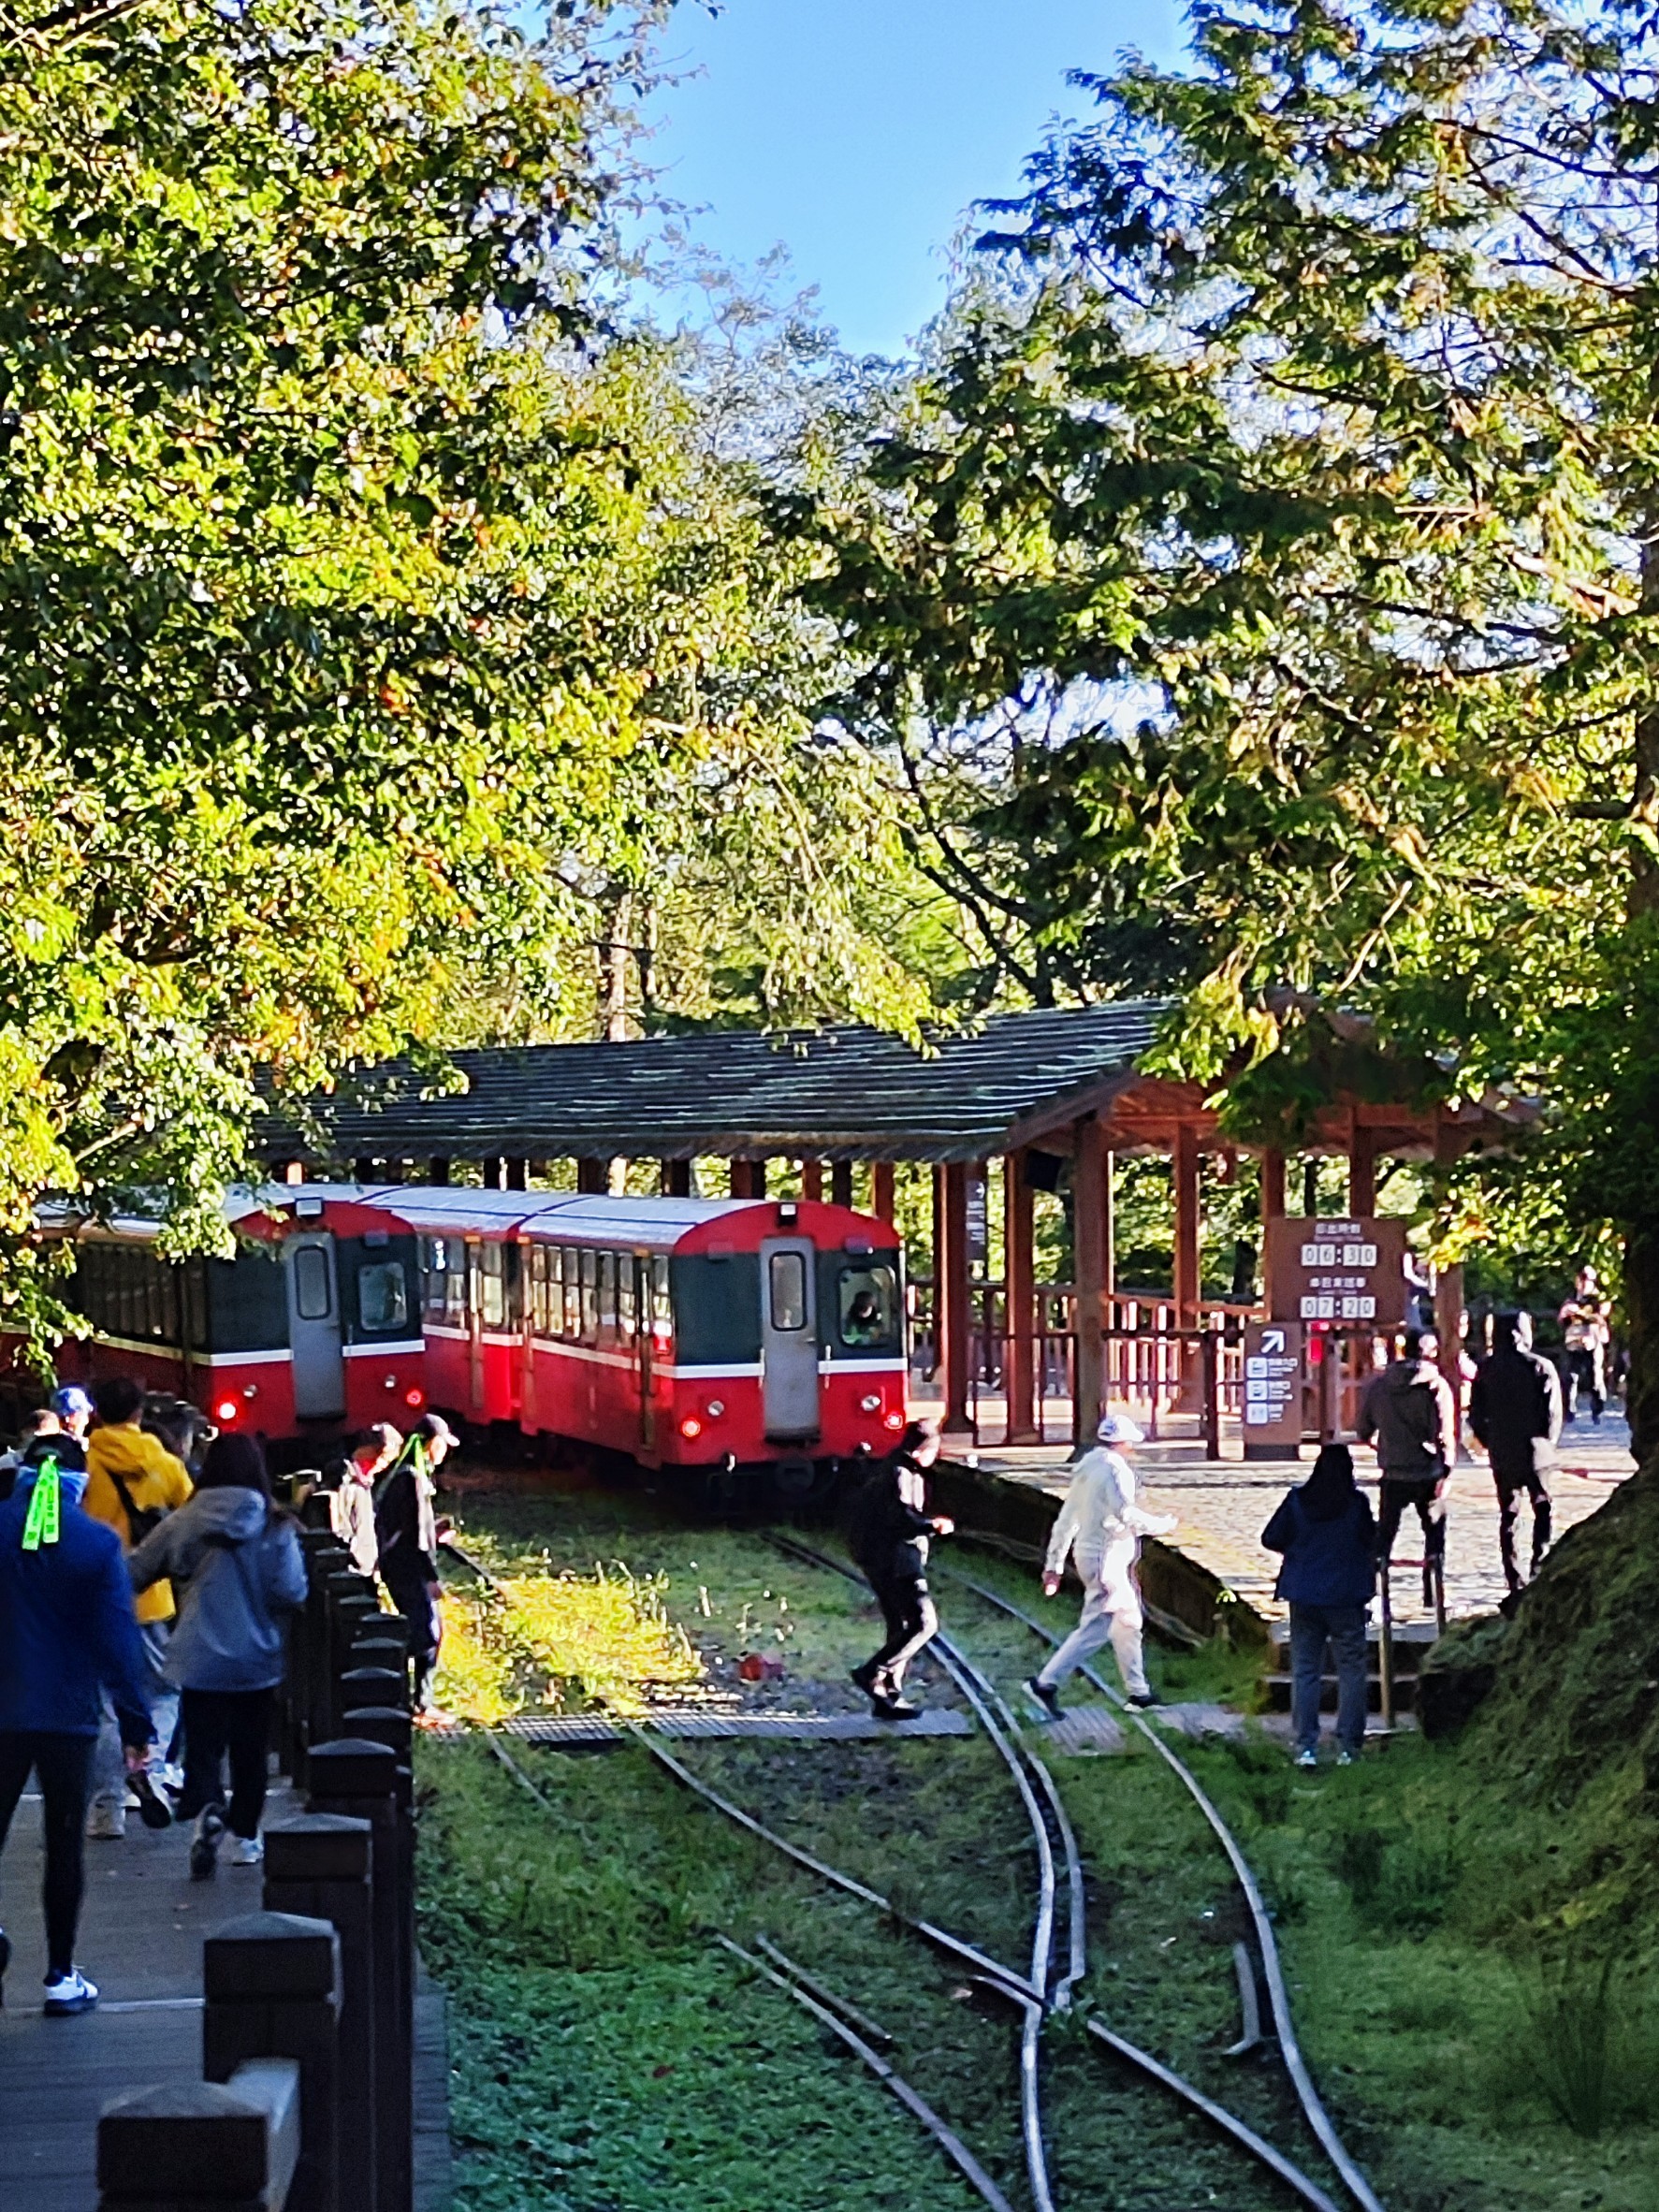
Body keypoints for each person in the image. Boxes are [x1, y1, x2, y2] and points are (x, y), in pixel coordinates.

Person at [0, 1434, 154, 2013]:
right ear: (79, 1483)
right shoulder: (95, 1544)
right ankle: (60, 1976)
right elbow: (118, 1643)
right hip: (69, 1717)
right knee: (64, 1846)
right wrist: (136, 1726)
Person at [127, 1433, 306, 1877]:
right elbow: (291, 1590)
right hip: (256, 1658)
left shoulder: (185, 1520)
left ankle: (208, 1807)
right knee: (250, 1752)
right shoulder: (275, 1524)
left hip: (199, 1653)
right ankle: (245, 1836)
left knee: (203, 1748)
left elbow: (136, 1571)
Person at [81, 1375, 192, 1838]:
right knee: (165, 1692)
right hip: (152, 1596)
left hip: (93, 1599)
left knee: (106, 1705)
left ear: (96, 1412)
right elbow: (190, 1516)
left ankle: (106, 1809)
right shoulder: (163, 1463)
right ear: (139, 1413)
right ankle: (153, 1768)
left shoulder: (83, 1463)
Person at [1025, 1411, 1175, 1714]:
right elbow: (1125, 1513)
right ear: (1123, 1443)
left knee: (1129, 1622)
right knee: (1097, 1625)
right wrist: (1162, 1525)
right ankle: (1045, 1684)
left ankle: (1138, 1693)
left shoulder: (1087, 1468)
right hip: (1108, 1557)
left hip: (1090, 1553)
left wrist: (1054, 1563)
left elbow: (1066, 1520)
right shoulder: (1116, 1471)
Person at [1262, 1445, 1376, 1768]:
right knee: (1351, 1669)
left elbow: (1270, 1537)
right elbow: (1372, 1540)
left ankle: (1305, 1746)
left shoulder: (1298, 1500)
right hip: (1346, 1597)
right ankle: (1348, 1746)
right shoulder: (1356, 1504)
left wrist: (1299, 1550)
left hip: (1304, 1596)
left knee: (1305, 1670)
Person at [846, 1419, 953, 1718]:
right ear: (923, 1450)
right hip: (894, 1560)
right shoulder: (901, 1474)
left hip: (880, 1556)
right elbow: (901, 1517)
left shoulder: (895, 1467)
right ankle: (872, 1673)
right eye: (934, 1451)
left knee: (900, 1625)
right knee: (924, 1623)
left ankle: (889, 1696)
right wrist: (932, 1525)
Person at [1357, 1330, 1455, 1607]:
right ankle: (1433, 1596)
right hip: (1428, 1471)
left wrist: (1383, 1446)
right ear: (1431, 1352)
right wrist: (1447, 1468)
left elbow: (1363, 1429)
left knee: (1385, 1534)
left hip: (1393, 1470)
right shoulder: (1437, 1386)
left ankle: (1371, 1592)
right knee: (1434, 1534)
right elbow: (1443, 1433)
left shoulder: (1379, 1386)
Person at [1469, 1311, 1562, 1594]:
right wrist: (1548, 1441)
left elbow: (1476, 1414)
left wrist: (1489, 1441)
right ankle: (1539, 1561)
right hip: (1536, 1449)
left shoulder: (1486, 1369)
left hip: (1503, 1448)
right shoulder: (1540, 1366)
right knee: (1542, 1506)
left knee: (1509, 1513)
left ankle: (1513, 1573)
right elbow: (1552, 1412)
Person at [373, 1413, 458, 1721]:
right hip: (407, 1568)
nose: (445, 1451)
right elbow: (417, 1536)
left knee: (428, 1633)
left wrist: (435, 1532)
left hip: (401, 1564)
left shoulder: (407, 1475)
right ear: (428, 1444)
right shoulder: (411, 1478)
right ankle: (405, 1695)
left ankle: (419, 1701)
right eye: (441, 1444)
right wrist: (430, 1577)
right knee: (426, 1635)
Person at [330, 1423, 400, 1577]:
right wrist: (367, 1566)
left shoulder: (361, 1481)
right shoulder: (355, 1488)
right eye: (381, 1455)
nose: (381, 1463)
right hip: (357, 1568)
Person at [1558, 1267, 1611, 1424]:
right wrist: (1570, 1314)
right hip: (1573, 1343)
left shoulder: (1599, 1300)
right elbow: (1562, 1319)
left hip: (1592, 1342)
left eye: (1586, 1280)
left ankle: (1597, 1411)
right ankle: (1569, 1412)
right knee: (1570, 1377)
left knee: (1595, 1376)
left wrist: (1582, 1314)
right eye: (1581, 1279)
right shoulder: (1571, 1299)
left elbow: (1601, 1317)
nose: (1582, 1283)